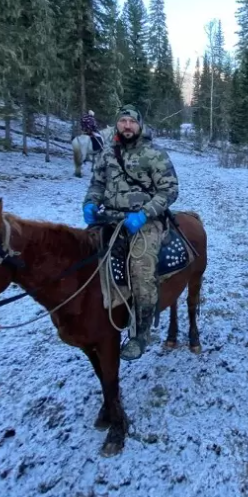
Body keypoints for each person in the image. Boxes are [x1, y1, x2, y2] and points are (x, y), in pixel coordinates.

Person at [82, 104, 179, 360]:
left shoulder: (154, 154)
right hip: (108, 218)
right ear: (117, 124)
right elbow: (97, 184)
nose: (127, 126)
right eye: (123, 121)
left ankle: (140, 334)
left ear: (139, 125)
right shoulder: (106, 154)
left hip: (144, 221)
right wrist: (90, 202)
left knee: (141, 271)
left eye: (131, 122)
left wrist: (144, 213)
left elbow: (169, 191)